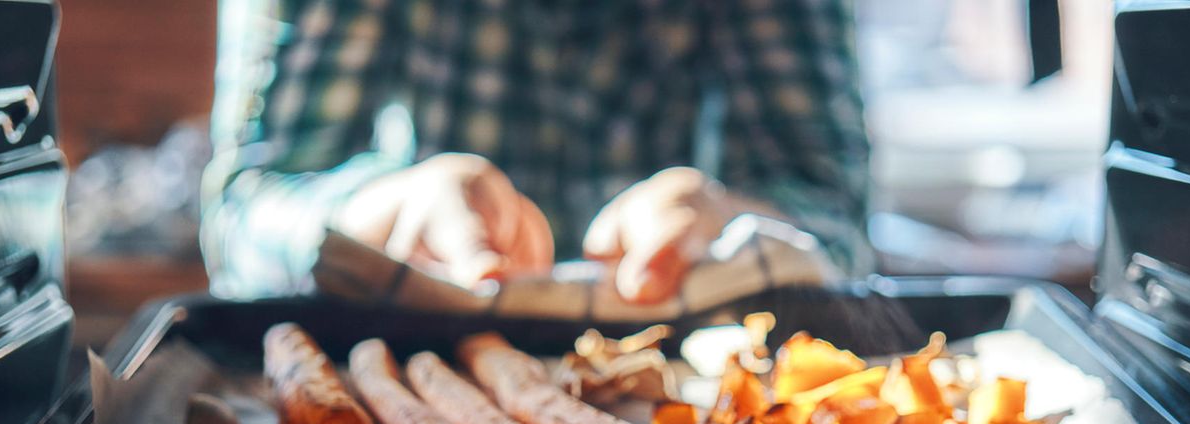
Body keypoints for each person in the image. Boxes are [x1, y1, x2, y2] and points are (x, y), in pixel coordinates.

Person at [201, 0, 870, 306]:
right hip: (410, 350)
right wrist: (378, 211)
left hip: (686, 373)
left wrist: (729, 215)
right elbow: (246, 206)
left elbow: (833, 214)